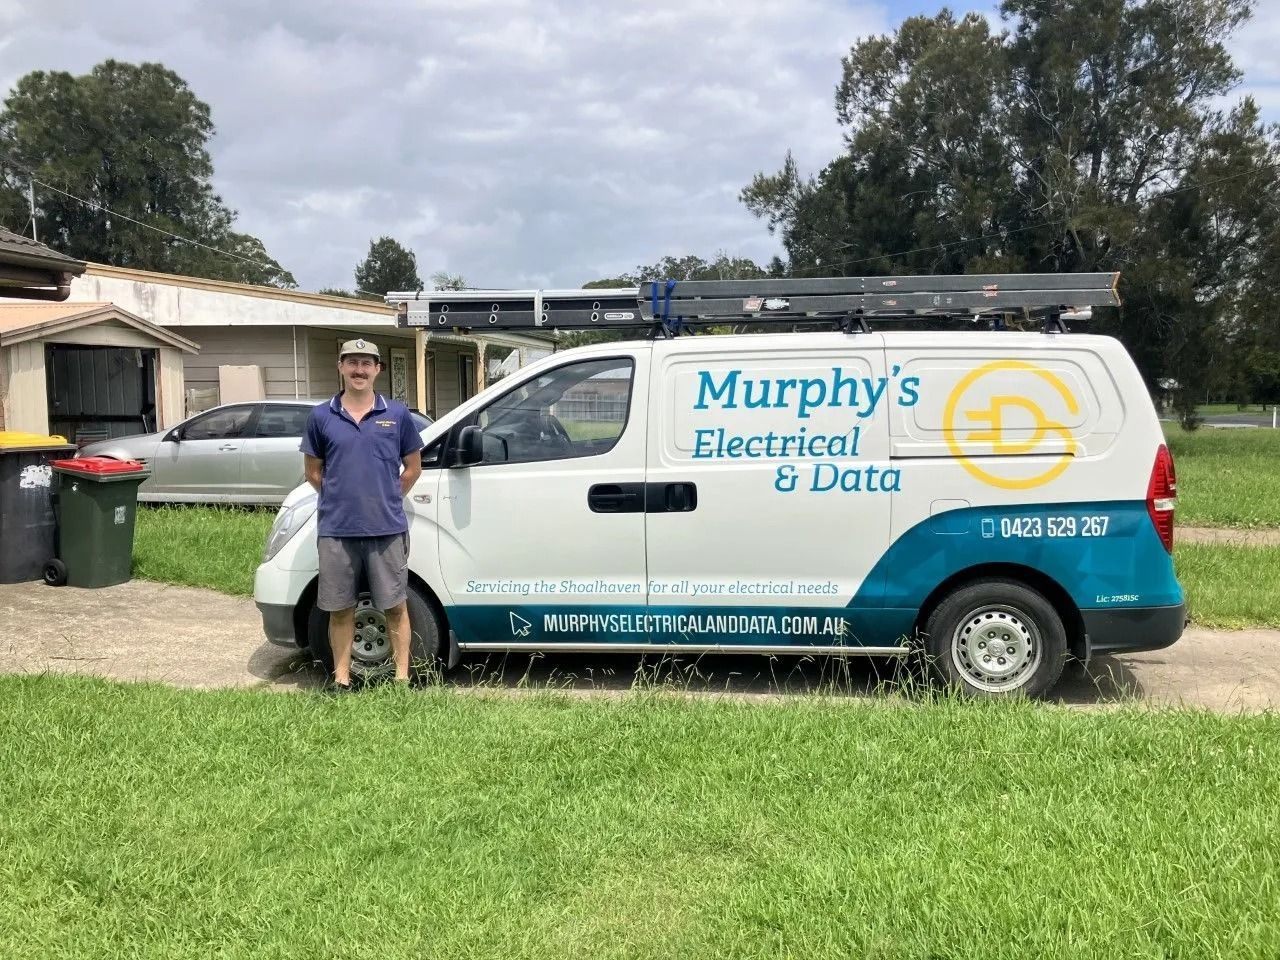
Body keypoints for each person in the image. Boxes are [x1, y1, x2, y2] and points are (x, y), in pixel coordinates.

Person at [301, 338, 424, 691]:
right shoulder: (321, 416)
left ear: (377, 370)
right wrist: (343, 499)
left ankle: (402, 679)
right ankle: (341, 680)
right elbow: (313, 471)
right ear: (340, 367)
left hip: (387, 529)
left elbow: (413, 468)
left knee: (395, 606)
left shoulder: (397, 414)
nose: (359, 370)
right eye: (352, 362)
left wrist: (386, 496)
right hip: (337, 530)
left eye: (366, 363)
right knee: (339, 609)